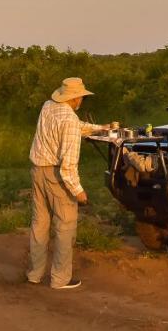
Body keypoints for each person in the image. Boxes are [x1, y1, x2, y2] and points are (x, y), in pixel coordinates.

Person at [26, 77, 111, 289]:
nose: (82, 99)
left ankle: (34, 274)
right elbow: (68, 166)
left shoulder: (48, 106)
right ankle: (60, 279)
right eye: (81, 96)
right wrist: (79, 191)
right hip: (56, 175)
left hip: (37, 171)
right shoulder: (70, 121)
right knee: (65, 226)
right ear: (76, 99)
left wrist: (100, 128)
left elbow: (73, 126)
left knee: (39, 223)